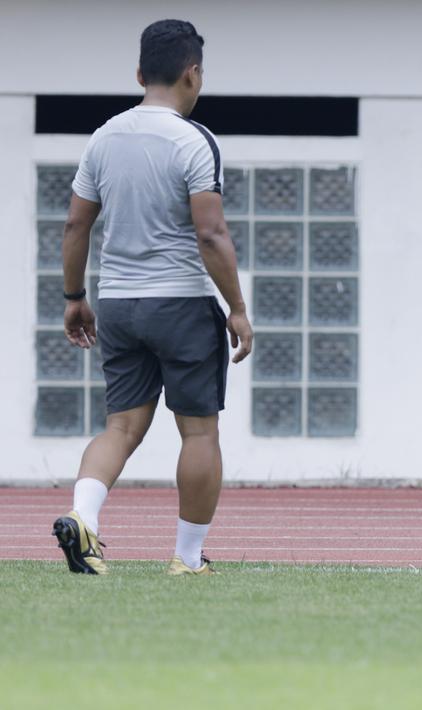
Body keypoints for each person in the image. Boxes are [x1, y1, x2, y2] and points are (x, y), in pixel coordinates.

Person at [52, 19, 252, 576]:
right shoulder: (194, 140)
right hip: (182, 303)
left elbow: (75, 226)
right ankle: (188, 558)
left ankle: (83, 515)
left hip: (117, 303)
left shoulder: (103, 137)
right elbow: (210, 234)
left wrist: (74, 297)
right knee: (198, 430)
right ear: (194, 74)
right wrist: (235, 307)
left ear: (140, 73)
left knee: (120, 427)